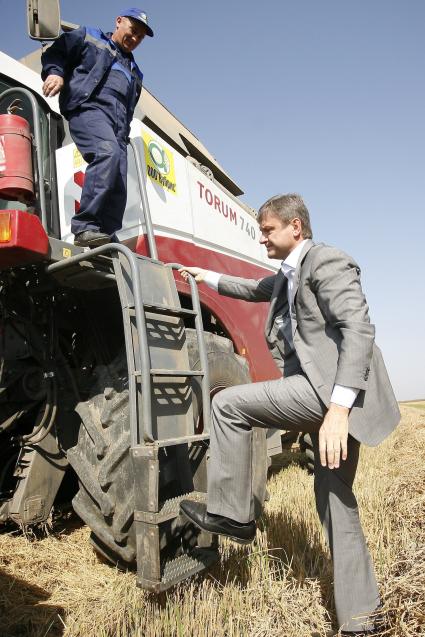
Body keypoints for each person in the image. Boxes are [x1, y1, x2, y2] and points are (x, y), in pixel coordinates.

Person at [179, 193, 400, 636]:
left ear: (295, 227)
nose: (262, 238)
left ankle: (234, 515)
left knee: (227, 404)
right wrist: (204, 277)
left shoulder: (325, 261)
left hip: (330, 394)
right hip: (325, 394)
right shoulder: (286, 275)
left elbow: (359, 329)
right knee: (336, 500)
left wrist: (337, 410)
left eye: (268, 230)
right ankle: (363, 619)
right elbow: (252, 288)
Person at [41, 9, 154, 247]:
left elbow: (129, 107)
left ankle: (104, 235)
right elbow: (57, 52)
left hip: (118, 129)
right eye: (133, 31)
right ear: (119, 21)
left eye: (140, 37)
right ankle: (85, 226)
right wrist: (55, 73)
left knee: (119, 180)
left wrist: (122, 135)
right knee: (106, 153)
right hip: (88, 110)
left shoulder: (136, 73)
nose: (135, 39)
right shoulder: (89, 37)